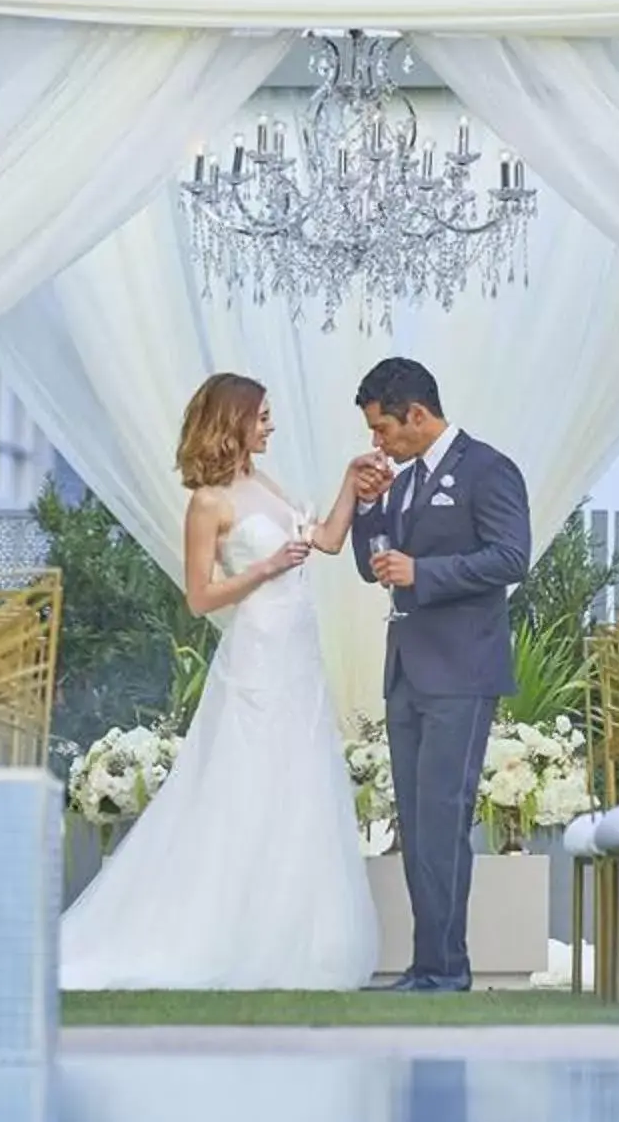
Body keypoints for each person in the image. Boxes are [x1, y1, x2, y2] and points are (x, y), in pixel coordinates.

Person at [59, 373, 381, 991]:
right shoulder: (209, 503)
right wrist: (263, 568)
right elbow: (201, 597)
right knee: (244, 786)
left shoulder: (263, 484)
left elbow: (329, 541)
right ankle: (221, 933)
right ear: (231, 421)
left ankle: (297, 941)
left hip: (299, 655)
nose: (269, 426)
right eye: (261, 416)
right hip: (258, 653)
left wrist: (349, 482)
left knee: (300, 787)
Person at [349, 358, 533, 993]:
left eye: (383, 429)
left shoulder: (488, 469)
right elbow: (373, 566)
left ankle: (446, 969)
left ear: (417, 416)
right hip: (405, 671)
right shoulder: (401, 482)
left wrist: (425, 574)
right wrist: (370, 510)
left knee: (444, 819)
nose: (378, 443)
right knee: (417, 822)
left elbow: (512, 557)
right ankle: (429, 964)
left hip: (462, 670)